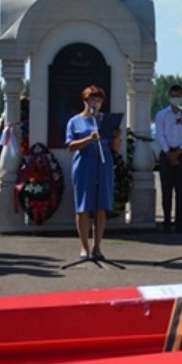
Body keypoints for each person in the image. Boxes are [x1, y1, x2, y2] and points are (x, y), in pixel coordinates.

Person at [65, 85, 119, 260]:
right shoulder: (75, 121)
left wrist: (117, 137)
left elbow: (115, 148)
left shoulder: (105, 120)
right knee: (83, 208)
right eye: (92, 100)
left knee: (101, 207)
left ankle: (97, 247)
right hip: (83, 165)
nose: (96, 103)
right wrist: (89, 139)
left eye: (99, 100)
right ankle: (84, 247)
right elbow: (70, 147)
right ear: (85, 101)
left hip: (103, 164)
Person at [155, 84, 182, 233]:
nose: (175, 98)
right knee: (166, 190)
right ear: (169, 96)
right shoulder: (161, 115)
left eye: (178, 95)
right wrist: (168, 153)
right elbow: (160, 135)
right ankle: (166, 221)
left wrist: (178, 153)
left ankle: (180, 222)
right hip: (166, 155)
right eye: (173, 95)